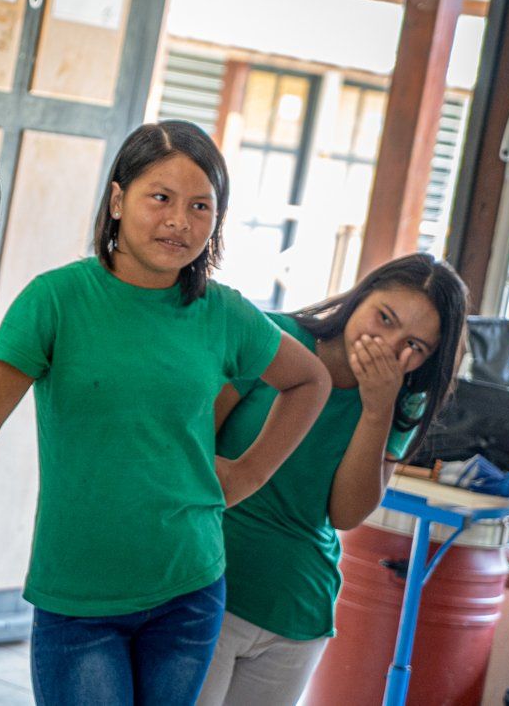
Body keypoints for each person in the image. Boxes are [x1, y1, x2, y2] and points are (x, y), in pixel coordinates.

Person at [0, 121, 330, 706]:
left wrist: (249, 472)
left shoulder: (223, 313)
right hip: (79, 596)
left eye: (200, 206)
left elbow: (309, 380)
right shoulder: (56, 299)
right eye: (161, 198)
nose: (180, 221)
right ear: (118, 200)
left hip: (189, 591)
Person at [198, 253, 468, 706]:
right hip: (209, 587)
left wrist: (377, 410)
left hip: (297, 613)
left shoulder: (401, 401)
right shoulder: (274, 338)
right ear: (361, 296)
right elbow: (193, 454)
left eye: (414, 346)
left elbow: (345, 513)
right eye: (384, 318)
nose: (388, 346)